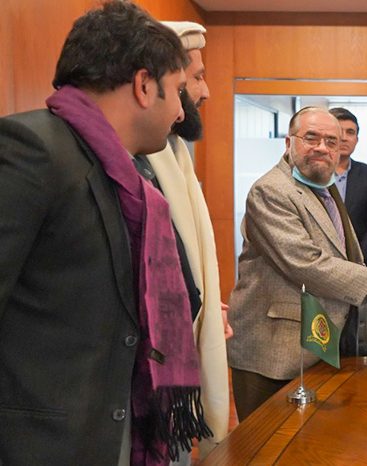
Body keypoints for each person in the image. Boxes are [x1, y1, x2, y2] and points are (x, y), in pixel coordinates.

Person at [0, 2, 210, 465]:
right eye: (178, 90)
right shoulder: (31, 149)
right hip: (42, 444)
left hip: (112, 430)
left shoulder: (130, 179)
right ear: (143, 85)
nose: (181, 112)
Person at [226, 107, 367, 421]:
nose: (322, 147)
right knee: (268, 442)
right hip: (273, 352)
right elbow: (305, 262)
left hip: (315, 346)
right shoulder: (271, 190)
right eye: (311, 138)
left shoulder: (323, 187)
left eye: (331, 141)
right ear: (288, 142)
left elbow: (342, 254)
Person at [136, 21, 230, 461]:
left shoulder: (176, 153)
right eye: (194, 79)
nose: (205, 91)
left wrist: (204, 301)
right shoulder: (138, 159)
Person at [328, 107, 367, 356]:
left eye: (350, 132)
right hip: (322, 268)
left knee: (358, 340)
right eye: (338, 131)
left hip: (362, 268)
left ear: (357, 139)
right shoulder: (315, 174)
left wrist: (356, 262)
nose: (344, 137)